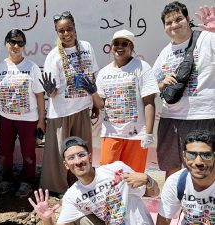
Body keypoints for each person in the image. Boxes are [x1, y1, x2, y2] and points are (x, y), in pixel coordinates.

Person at [29, 136, 160, 225]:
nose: (78, 161)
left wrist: (149, 180)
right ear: (66, 165)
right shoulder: (72, 196)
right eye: (71, 158)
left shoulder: (117, 169)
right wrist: (46, 218)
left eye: (81, 155)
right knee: (79, 219)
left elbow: (154, 194)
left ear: (90, 157)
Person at [150, 2, 215, 179]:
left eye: (179, 19)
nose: (174, 25)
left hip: (202, 116)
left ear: (188, 20)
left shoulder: (207, 39)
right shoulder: (165, 52)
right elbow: (148, 85)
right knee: (171, 168)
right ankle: (174, 205)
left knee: (205, 169)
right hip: (170, 119)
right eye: (169, 23)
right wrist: (162, 84)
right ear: (164, 27)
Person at [80, 29, 159, 173]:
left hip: (136, 134)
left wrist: (148, 133)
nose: (120, 46)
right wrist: (93, 93)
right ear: (111, 47)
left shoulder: (142, 67)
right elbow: (101, 105)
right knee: (108, 176)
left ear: (131, 47)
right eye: (116, 43)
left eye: (125, 43)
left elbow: (149, 102)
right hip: (111, 133)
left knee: (133, 177)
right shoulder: (104, 72)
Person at [39, 11, 99, 195]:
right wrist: (50, 90)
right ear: (57, 32)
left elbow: (93, 75)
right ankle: (56, 189)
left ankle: (82, 184)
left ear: (75, 28)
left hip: (82, 108)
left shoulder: (87, 47)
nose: (66, 34)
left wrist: (95, 103)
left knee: (81, 150)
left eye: (69, 29)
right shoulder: (53, 55)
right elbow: (53, 91)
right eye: (61, 31)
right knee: (59, 154)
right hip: (61, 112)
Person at [0, 29, 45, 196]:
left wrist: (42, 120)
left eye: (20, 43)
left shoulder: (32, 67)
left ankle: (27, 181)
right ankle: (6, 179)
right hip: (5, 118)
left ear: (24, 46)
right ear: (6, 43)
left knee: (28, 152)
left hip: (29, 119)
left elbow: (40, 96)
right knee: (5, 152)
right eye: (12, 42)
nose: (16, 45)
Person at [157, 130, 215, 225]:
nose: (198, 162)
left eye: (206, 155)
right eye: (191, 155)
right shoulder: (175, 182)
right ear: (184, 156)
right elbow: (163, 221)